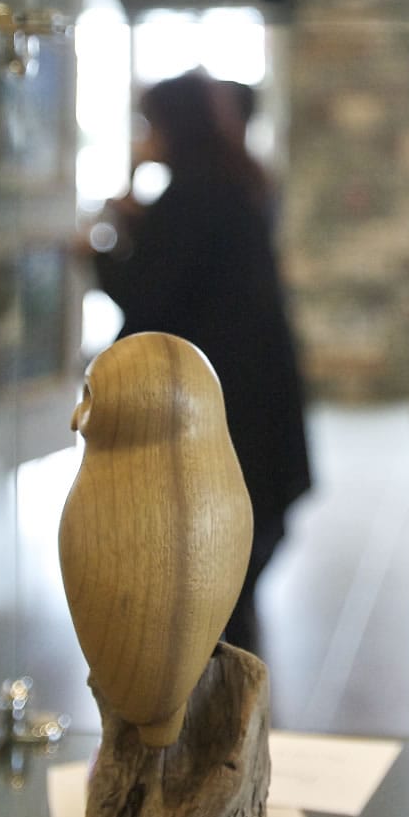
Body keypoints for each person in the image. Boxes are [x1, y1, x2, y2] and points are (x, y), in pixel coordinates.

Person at [86, 69, 311, 653]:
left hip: (220, 412)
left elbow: (152, 301)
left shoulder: (190, 196)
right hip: (253, 404)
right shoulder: (234, 185)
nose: (141, 136)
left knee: (212, 592)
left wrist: (101, 250)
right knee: (230, 588)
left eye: (148, 124)